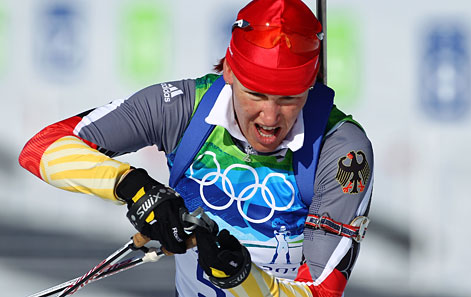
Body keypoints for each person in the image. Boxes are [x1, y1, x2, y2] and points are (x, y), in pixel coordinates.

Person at [19, 0, 374, 296]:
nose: (269, 117)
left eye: (288, 98)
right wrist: (135, 188)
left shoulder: (341, 150)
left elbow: (321, 291)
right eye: (255, 93)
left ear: (310, 83)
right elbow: (41, 148)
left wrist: (242, 279)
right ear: (230, 72)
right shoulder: (183, 107)